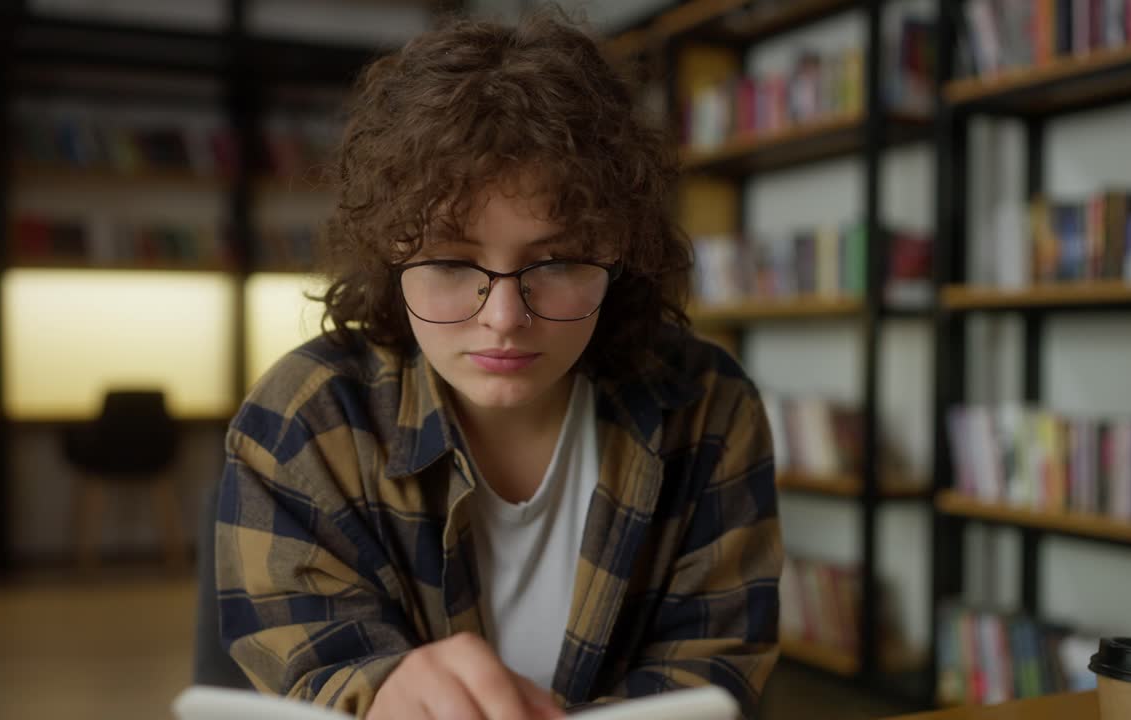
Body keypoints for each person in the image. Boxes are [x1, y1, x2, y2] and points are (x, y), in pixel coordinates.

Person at [216, 6, 782, 719]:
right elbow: (313, 664)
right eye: (453, 262)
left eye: (558, 260)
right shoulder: (305, 419)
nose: (505, 318)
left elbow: (713, 669)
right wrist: (383, 692)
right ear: (392, 254)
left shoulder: (707, 403)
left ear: (620, 251)